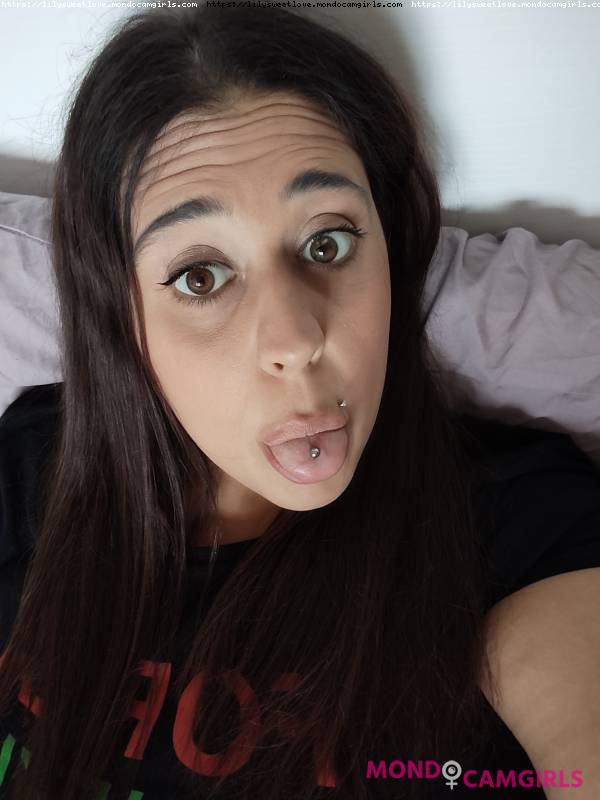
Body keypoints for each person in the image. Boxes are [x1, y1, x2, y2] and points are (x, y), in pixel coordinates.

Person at [0, 4, 599, 799]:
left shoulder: (523, 526)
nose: (295, 340)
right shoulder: (24, 469)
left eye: (328, 242)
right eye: (201, 276)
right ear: (120, 313)